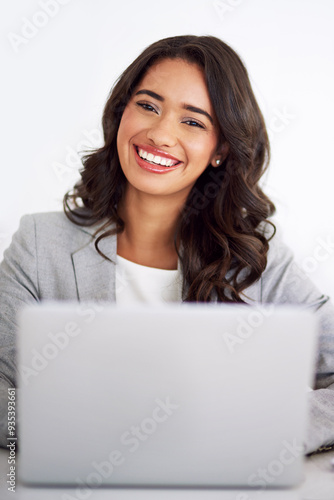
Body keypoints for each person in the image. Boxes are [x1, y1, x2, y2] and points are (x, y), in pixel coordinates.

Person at [0, 35, 333, 452]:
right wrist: (98, 430)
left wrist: (266, 429)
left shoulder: (258, 260)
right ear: (121, 112)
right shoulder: (37, 245)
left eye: (192, 121)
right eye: (147, 105)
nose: (159, 134)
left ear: (221, 149)